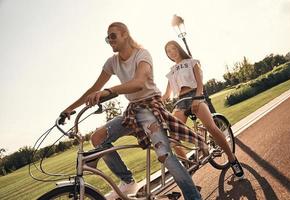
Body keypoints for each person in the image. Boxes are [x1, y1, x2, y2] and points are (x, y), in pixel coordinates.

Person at [62, 22, 205, 199]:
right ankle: (128, 181)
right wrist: (69, 109)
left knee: (165, 155)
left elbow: (139, 83)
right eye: (107, 38)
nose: (109, 40)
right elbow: (94, 88)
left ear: (125, 35)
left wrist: (109, 91)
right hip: (131, 112)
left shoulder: (142, 54)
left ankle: (193, 196)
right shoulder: (112, 62)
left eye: (113, 36)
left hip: (150, 108)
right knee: (97, 138)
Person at [162, 40, 244, 180]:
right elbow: (166, 94)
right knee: (172, 137)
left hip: (195, 95)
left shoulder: (192, 62)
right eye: (168, 51)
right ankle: (188, 169)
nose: (171, 52)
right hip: (180, 102)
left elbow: (200, 83)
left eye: (173, 48)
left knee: (211, 127)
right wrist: (157, 101)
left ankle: (232, 159)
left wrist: (197, 98)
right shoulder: (171, 72)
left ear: (179, 48)